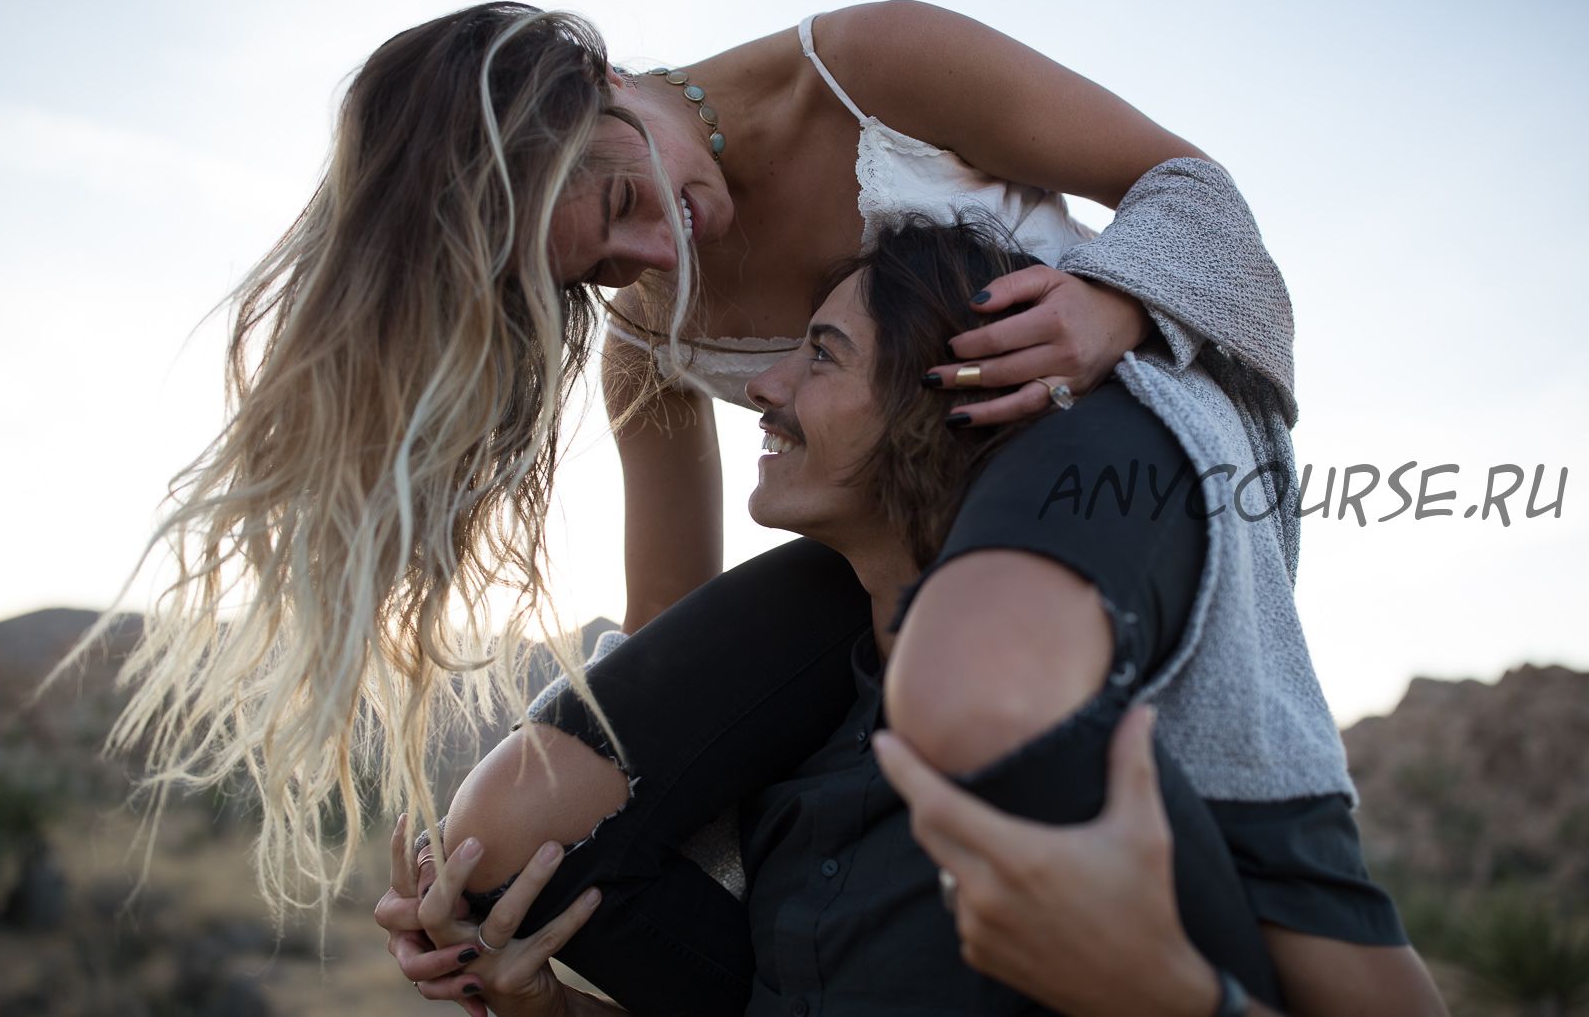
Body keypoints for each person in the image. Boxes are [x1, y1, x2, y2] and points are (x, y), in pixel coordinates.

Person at [381, 219, 1445, 1016]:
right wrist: (549, 1009)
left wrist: (1176, 997)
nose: (765, 386)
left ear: (946, 401)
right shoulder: (787, 777)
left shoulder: (1106, 769)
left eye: (822, 353)